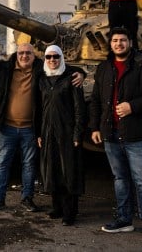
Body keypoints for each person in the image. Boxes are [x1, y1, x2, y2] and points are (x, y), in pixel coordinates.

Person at [0, 32, 83, 212]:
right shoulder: (4, 68)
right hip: (7, 126)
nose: (24, 56)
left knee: (29, 164)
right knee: (2, 163)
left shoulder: (41, 69)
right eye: (21, 53)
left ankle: (27, 198)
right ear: (16, 55)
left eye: (28, 53)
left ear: (35, 56)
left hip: (30, 129)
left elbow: (63, 67)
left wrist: (82, 74)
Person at [88, 26, 142, 245]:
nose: (119, 44)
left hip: (137, 133)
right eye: (115, 41)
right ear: (110, 44)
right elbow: (95, 100)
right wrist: (95, 127)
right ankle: (124, 219)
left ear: (130, 42)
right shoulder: (104, 68)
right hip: (111, 132)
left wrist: (132, 106)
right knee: (120, 179)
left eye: (122, 40)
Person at [35, 44, 86, 226]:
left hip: (66, 131)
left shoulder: (71, 77)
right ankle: (57, 207)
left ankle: (70, 212)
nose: (52, 60)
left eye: (56, 57)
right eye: (48, 57)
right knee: (52, 169)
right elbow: (39, 109)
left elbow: (80, 108)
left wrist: (77, 134)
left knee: (68, 172)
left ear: (61, 58)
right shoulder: (42, 79)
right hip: (48, 131)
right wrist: (39, 133)